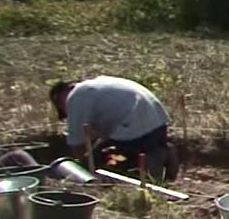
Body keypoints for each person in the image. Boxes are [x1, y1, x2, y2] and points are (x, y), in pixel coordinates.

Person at [50, 75, 178, 180]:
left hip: (135, 126)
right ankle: (159, 152)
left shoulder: (76, 97)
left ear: (60, 99)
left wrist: (82, 165)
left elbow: (77, 142)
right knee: (112, 151)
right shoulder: (97, 85)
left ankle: (153, 161)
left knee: (110, 161)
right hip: (157, 121)